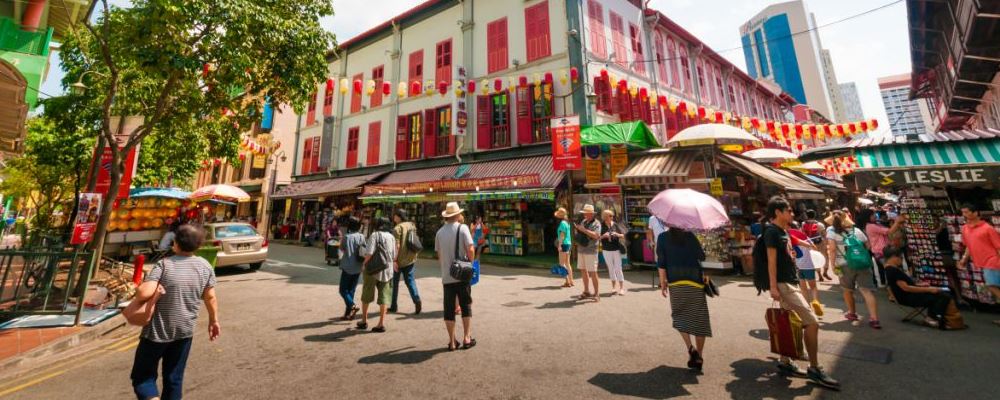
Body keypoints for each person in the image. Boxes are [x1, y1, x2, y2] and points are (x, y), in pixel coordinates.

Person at [755, 196, 839, 390]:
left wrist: (800, 247)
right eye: (789, 210)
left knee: (789, 322)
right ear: (778, 212)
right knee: (812, 322)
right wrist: (773, 286)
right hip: (784, 285)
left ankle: (785, 362)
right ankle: (814, 367)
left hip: (789, 281)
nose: (792, 213)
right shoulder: (771, 232)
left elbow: (789, 242)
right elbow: (771, 261)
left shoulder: (782, 231)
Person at [130, 224, 220, 400]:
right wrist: (214, 320)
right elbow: (210, 297)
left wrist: (142, 286)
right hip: (184, 332)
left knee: (143, 377)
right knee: (174, 379)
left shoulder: (164, 265)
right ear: (198, 246)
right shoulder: (205, 266)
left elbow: (143, 293)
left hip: (156, 333)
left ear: (175, 243)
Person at [657, 227, 710, 371]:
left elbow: (661, 263)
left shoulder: (662, 237)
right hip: (695, 282)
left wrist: (662, 283)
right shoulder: (690, 236)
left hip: (676, 283)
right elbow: (702, 257)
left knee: (679, 316)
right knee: (699, 319)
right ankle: (699, 356)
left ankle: (690, 348)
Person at [883, 246, 965, 330]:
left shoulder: (890, 268)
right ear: (893, 257)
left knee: (941, 294)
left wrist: (920, 285)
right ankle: (933, 318)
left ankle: (934, 317)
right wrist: (928, 289)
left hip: (908, 295)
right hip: (908, 297)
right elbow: (906, 288)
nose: (901, 259)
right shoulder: (892, 270)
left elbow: (905, 286)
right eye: (900, 257)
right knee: (942, 296)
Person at [826, 210, 881, 329]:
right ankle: (874, 319)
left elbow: (832, 249)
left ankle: (852, 313)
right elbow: (868, 246)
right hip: (863, 264)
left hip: (844, 265)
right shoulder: (856, 230)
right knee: (867, 291)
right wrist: (858, 254)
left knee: (847, 290)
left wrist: (832, 265)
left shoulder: (831, 231)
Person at [435, 202, 476, 351]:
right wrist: (470, 264)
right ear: (457, 215)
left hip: (447, 276)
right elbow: (470, 249)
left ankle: (452, 342)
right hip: (462, 275)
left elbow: (439, 256)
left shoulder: (439, 233)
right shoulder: (462, 228)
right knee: (465, 305)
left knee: (449, 309)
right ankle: (467, 338)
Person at [957, 204, 1000, 326]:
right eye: (963, 212)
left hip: (992, 261)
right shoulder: (965, 229)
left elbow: (998, 246)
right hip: (983, 262)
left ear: (975, 213)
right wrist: (963, 259)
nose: (964, 215)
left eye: (966, 212)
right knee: (994, 287)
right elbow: (968, 246)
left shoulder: (987, 228)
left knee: (992, 286)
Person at [357, 217, 397, 332]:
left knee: (367, 294)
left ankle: (364, 321)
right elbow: (394, 255)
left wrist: (364, 264)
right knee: (384, 297)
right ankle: (381, 323)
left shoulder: (374, 235)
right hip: (387, 270)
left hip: (372, 270)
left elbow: (369, 253)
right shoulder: (391, 237)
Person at [390, 209, 422, 314]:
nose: (394, 217)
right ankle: (416, 299)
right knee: (410, 281)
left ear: (399, 216)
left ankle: (393, 306)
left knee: (394, 283)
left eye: (395, 215)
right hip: (410, 258)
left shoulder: (397, 228)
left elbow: (397, 246)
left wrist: (394, 260)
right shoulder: (411, 225)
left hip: (399, 260)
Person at [865, 212, 905, 286]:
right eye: (872, 215)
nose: (875, 215)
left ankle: (892, 286)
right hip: (880, 251)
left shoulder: (875, 224)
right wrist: (897, 222)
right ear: (867, 217)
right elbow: (889, 231)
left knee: (890, 269)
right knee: (891, 269)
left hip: (883, 250)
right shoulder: (871, 226)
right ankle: (894, 287)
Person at [337, 217, 365, 321]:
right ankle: (348, 314)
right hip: (358, 266)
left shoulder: (347, 237)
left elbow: (341, 248)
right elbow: (364, 249)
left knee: (343, 290)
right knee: (351, 290)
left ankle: (353, 305)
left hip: (348, 267)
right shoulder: (362, 236)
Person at [574, 204, 603, 301]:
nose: (584, 215)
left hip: (591, 250)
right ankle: (586, 291)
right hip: (581, 249)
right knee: (583, 270)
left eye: (586, 213)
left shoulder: (597, 223)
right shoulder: (583, 221)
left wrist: (583, 230)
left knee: (593, 272)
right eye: (584, 213)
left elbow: (596, 236)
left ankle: (597, 293)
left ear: (592, 214)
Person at [936, 217, 965, 304]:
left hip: (948, 255)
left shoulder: (943, 231)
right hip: (947, 256)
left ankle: (957, 297)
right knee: (953, 277)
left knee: (952, 277)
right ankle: (958, 297)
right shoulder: (940, 231)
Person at [600, 209, 627, 296]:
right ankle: (614, 288)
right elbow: (597, 238)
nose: (612, 217)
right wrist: (603, 236)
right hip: (606, 250)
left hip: (616, 249)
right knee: (611, 269)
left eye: (612, 216)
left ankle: (621, 288)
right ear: (605, 217)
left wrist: (617, 234)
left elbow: (623, 235)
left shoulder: (615, 224)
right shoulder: (601, 225)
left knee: (618, 268)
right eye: (610, 216)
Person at [801, 210, 830, 281]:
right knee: (826, 257)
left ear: (807, 215)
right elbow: (824, 235)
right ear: (815, 215)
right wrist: (827, 243)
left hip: (810, 244)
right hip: (820, 243)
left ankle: (819, 275)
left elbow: (802, 234)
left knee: (816, 259)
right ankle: (825, 272)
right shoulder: (820, 224)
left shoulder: (803, 224)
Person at [554, 207, 574, 288]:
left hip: (564, 244)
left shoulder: (562, 223)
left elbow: (562, 235)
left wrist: (559, 245)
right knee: (567, 263)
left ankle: (567, 281)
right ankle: (571, 281)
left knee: (562, 264)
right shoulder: (567, 222)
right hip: (568, 244)